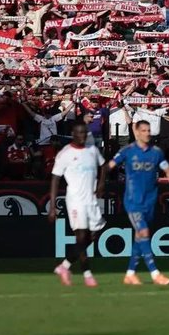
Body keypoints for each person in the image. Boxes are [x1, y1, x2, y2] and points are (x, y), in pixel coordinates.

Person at [98, 121, 169, 286]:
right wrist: (101, 183)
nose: (147, 133)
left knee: (140, 237)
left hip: (150, 200)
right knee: (144, 232)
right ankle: (155, 274)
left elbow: (168, 171)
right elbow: (108, 166)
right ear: (137, 133)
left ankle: (130, 274)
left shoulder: (156, 153)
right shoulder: (128, 150)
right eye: (144, 130)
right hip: (133, 201)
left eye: (149, 130)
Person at [49, 123, 106, 287]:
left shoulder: (92, 150)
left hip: (91, 199)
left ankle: (64, 266)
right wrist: (52, 206)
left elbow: (103, 166)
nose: (82, 136)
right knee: (80, 237)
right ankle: (87, 274)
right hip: (75, 200)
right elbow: (55, 179)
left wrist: (101, 184)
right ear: (72, 134)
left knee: (93, 236)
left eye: (84, 133)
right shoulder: (65, 154)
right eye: (79, 133)